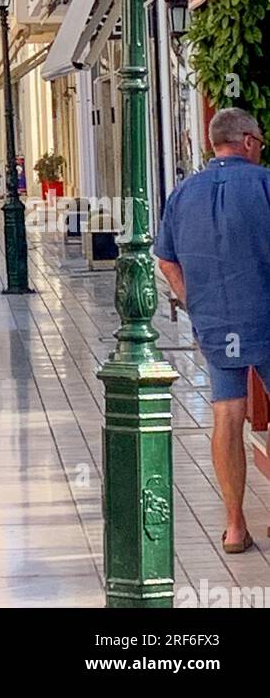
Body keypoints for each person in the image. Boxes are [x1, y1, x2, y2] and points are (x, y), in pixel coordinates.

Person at [156, 107, 270, 555]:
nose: (260, 148)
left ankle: (235, 525)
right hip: (264, 313)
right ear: (245, 141)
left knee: (227, 414)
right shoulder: (264, 185)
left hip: (215, 321)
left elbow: (166, 259)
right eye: (259, 141)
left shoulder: (183, 194)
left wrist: (191, 301)